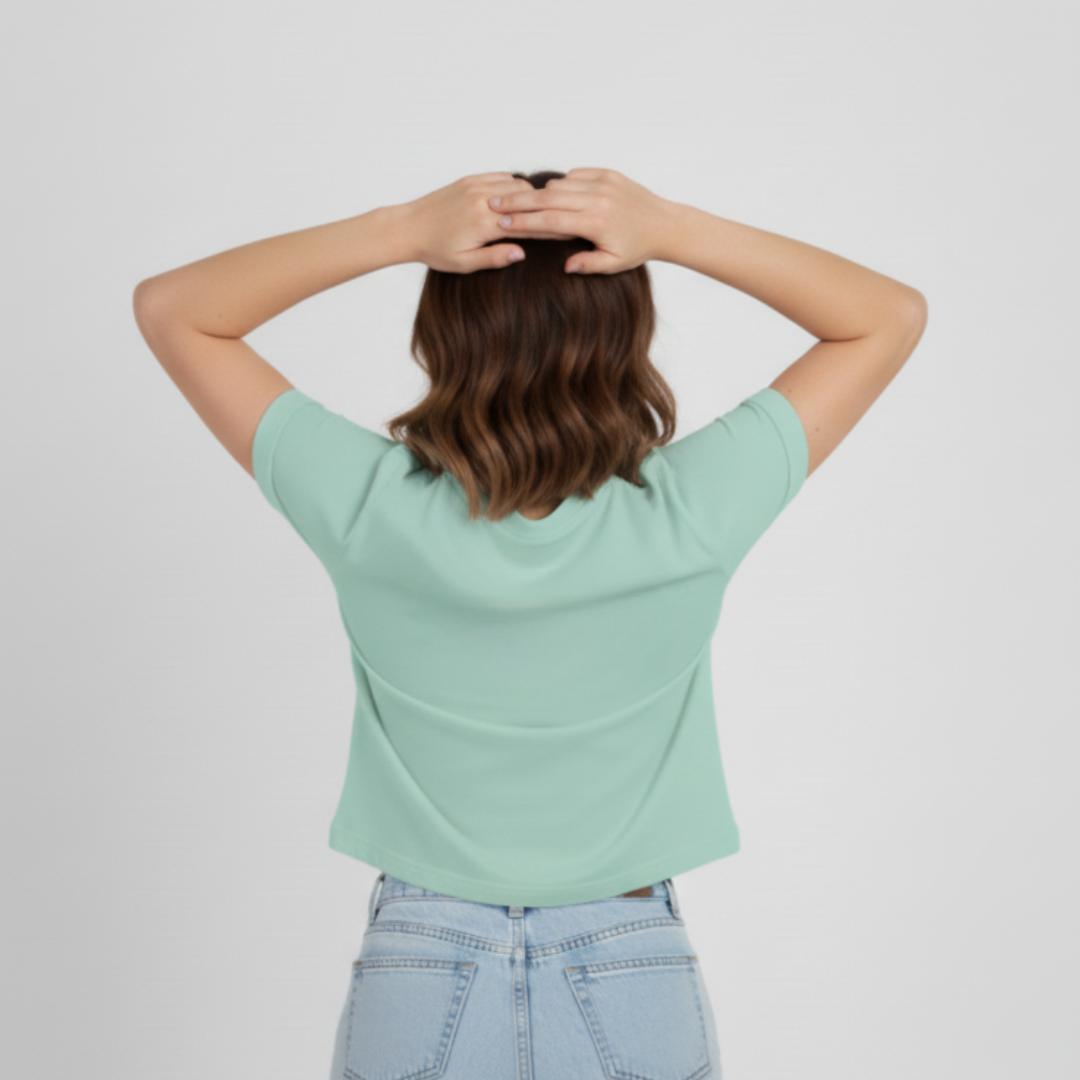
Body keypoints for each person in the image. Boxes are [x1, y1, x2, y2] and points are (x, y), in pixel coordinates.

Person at [133, 168, 927, 1080]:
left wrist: (399, 230)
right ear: (626, 335)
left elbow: (174, 309)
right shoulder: (694, 511)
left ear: (442, 335)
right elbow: (886, 315)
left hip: (421, 955)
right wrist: (670, 227)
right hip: (629, 948)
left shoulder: (364, 505)